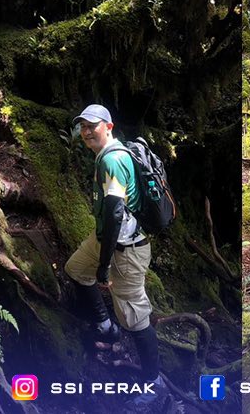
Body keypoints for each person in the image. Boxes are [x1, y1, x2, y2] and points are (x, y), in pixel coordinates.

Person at [63, 104, 165, 406]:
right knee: (76, 268)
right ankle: (106, 327)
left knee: (134, 317)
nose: (86, 132)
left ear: (109, 126)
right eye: (82, 126)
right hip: (106, 239)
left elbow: (116, 211)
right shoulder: (109, 155)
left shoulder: (114, 160)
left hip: (126, 248)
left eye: (92, 125)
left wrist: (105, 265)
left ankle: (153, 382)